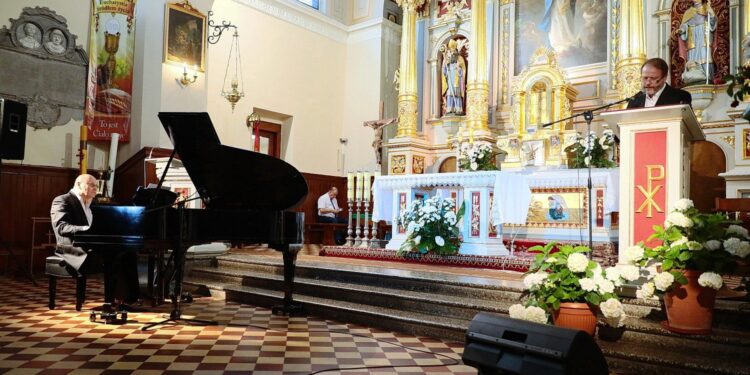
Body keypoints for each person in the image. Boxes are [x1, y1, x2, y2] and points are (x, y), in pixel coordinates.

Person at [50, 174, 140, 304]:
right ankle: (109, 303)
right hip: (72, 250)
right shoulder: (63, 200)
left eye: (97, 186)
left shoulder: (94, 204)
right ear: (78, 184)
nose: (95, 189)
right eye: (92, 185)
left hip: (91, 247)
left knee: (128, 252)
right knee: (113, 255)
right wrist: (85, 229)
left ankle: (129, 298)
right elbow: (61, 227)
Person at [627, 58, 692, 109]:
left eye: (653, 78)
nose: (648, 83)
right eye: (645, 78)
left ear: (664, 77)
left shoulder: (681, 97)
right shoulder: (634, 101)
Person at [677, 0, 716, 84]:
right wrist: (682, 30)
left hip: (704, 34)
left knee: (705, 55)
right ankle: (693, 78)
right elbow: (684, 25)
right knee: (693, 58)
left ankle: (707, 77)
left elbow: (713, 23)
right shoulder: (688, 12)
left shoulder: (707, 8)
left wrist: (712, 14)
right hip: (692, 36)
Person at [441, 39, 466, 115]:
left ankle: (458, 109)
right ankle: (449, 109)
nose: (452, 52)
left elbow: (463, 70)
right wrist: (445, 64)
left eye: (453, 49)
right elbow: (444, 71)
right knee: (450, 93)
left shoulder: (460, 58)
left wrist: (458, 68)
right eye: (450, 50)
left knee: (457, 93)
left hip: (457, 78)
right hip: (450, 78)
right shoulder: (447, 59)